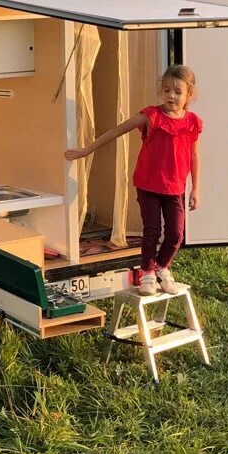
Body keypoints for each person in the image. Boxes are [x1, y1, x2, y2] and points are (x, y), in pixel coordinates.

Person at [64, 64, 202, 296]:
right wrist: (86, 150)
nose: (171, 96)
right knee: (151, 230)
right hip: (148, 185)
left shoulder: (192, 122)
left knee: (176, 234)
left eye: (178, 92)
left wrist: (196, 188)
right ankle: (147, 273)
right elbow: (116, 131)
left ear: (189, 95)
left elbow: (194, 155)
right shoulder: (152, 116)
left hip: (175, 187)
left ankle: (162, 268)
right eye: (167, 90)